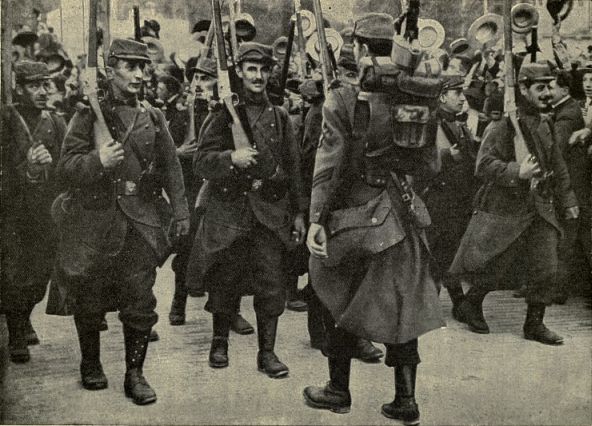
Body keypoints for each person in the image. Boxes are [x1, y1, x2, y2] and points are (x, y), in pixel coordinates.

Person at [302, 13, 444, 425]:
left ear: (360, 48)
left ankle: (338, 389)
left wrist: (316, 219)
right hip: (403, 212)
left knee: (336, 290)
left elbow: (328, 166)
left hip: (354, 215)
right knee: (403, 303)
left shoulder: (343, 98)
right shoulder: (419, 96)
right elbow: (432, 165)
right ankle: (406, 399)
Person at [49, 39, 189, 404]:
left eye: (142, 67)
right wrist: (98, 161)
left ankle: (135, 373)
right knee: (89, 297)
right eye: (129, 67)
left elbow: (172, 168)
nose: (139, 74)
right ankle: (91, 363)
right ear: (110, 72)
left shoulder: (153, 116)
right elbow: (65, 168)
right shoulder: (88, 114)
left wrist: (181, 211)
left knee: (140, 300)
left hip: (140, 222)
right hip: (96, 221)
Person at [189, 42, 307, 378]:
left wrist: (299, 213)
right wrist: (231, 158)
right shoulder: (223, 113)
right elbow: (200, 161)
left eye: (264, 70)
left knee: (271, 284)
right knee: (225, 280)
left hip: (269, 213)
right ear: (239, 71)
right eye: (251, 69)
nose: (258, 76)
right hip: (231, 212)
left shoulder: (279, 116)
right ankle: (219, 342)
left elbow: (294, 168)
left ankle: (267, 353)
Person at [451, 62, 579, 345]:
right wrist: (516, 171)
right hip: (506, 208)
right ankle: (471, 303)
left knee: (546, 266)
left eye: (550, 87)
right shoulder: (503, 124)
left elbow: (557, 165)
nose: (547, 93)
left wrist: (568, 198)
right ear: (522, 89)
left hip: (539, 205)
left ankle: (534, 324)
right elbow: (483, 164)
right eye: (540, 88)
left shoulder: (545, 122)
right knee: (496, 265)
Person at [1, 61, 67, 363]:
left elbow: (67, 168)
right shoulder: (5, 120)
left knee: (40, 276)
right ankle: (16, 332)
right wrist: (25, 169)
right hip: (12, 214)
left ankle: (24, 316)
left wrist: (50, 166)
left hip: (44, 214)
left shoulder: (55, 122)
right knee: (14, 274)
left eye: (45, 84)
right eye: (34, 85)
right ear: (18, 88)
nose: (42, 91)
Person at [421, 74, 480, 319]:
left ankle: (454, 302)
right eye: (457, 93)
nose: (462, 99)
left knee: (451, 250)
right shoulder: (429, 123)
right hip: (437, 197)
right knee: (437, 251)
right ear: (443, 96)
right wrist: (446, 156)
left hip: (458, 198)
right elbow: (420, 160)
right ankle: (434, 304)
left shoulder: (460, 124)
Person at [168, 56, 217, 326]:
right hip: (190, 187)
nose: (199, 83)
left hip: (217, 187)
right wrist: (179, 152)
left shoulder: (224, 113)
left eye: (206, 78)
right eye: (196, 77)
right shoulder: (180, 113)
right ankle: (179, 302)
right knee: (186, 247)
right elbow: (163, 151)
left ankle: (227, 311)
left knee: (223, 251)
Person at [549, 71, 591, 303]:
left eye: (551, 88)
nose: (547, 92)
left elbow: (556, 150)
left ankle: (558, 290)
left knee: (569, 236)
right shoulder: (567, 109)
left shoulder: (566, 115)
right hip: (575, 185)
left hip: (573, 187)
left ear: (564, 90)